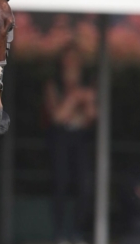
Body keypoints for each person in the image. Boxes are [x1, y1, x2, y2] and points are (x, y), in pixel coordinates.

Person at [44, 41, 97, 244]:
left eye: (75, 59)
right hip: (59, 139)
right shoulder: (53, 83)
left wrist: (76, 104)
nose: (72, 63)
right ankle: (59, 233)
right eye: (68, 58)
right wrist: (76, 98)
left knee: (84, 186)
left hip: (81, 139)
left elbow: (92, 115)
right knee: (60, 184)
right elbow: (57, 116)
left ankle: (77, 232)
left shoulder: (89, 82)